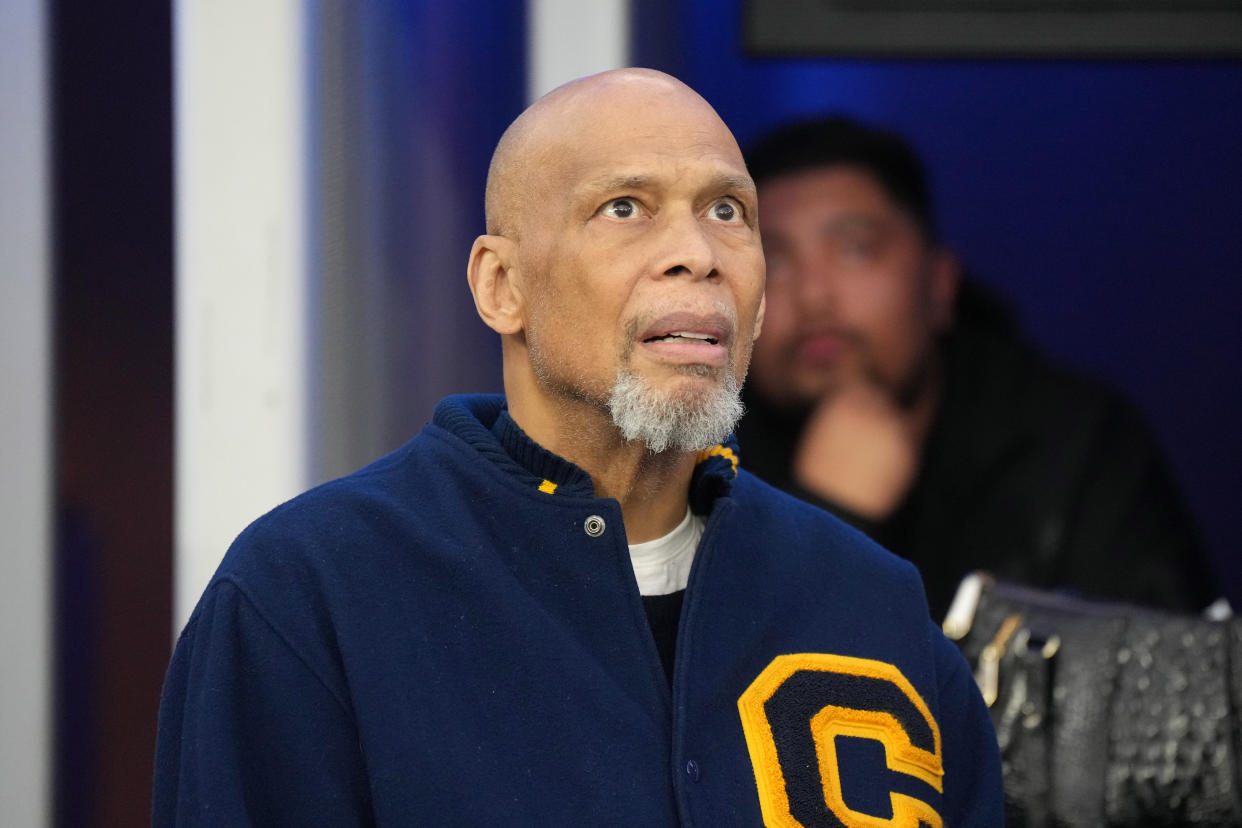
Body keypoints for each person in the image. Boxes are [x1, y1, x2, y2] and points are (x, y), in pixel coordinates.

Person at [153, 70, 1002, 825]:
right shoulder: (310, 594)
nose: (696, 255)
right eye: (624, 208)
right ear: (501, 285)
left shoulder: (873, 604)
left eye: (727, 212)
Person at [737, 115, 1217, 621]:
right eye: (774, 260)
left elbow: (1166, 676)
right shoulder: (697, 453)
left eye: (856, 250)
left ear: (940, 286)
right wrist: (829, 514)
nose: (814, 296)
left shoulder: (1071, 440)